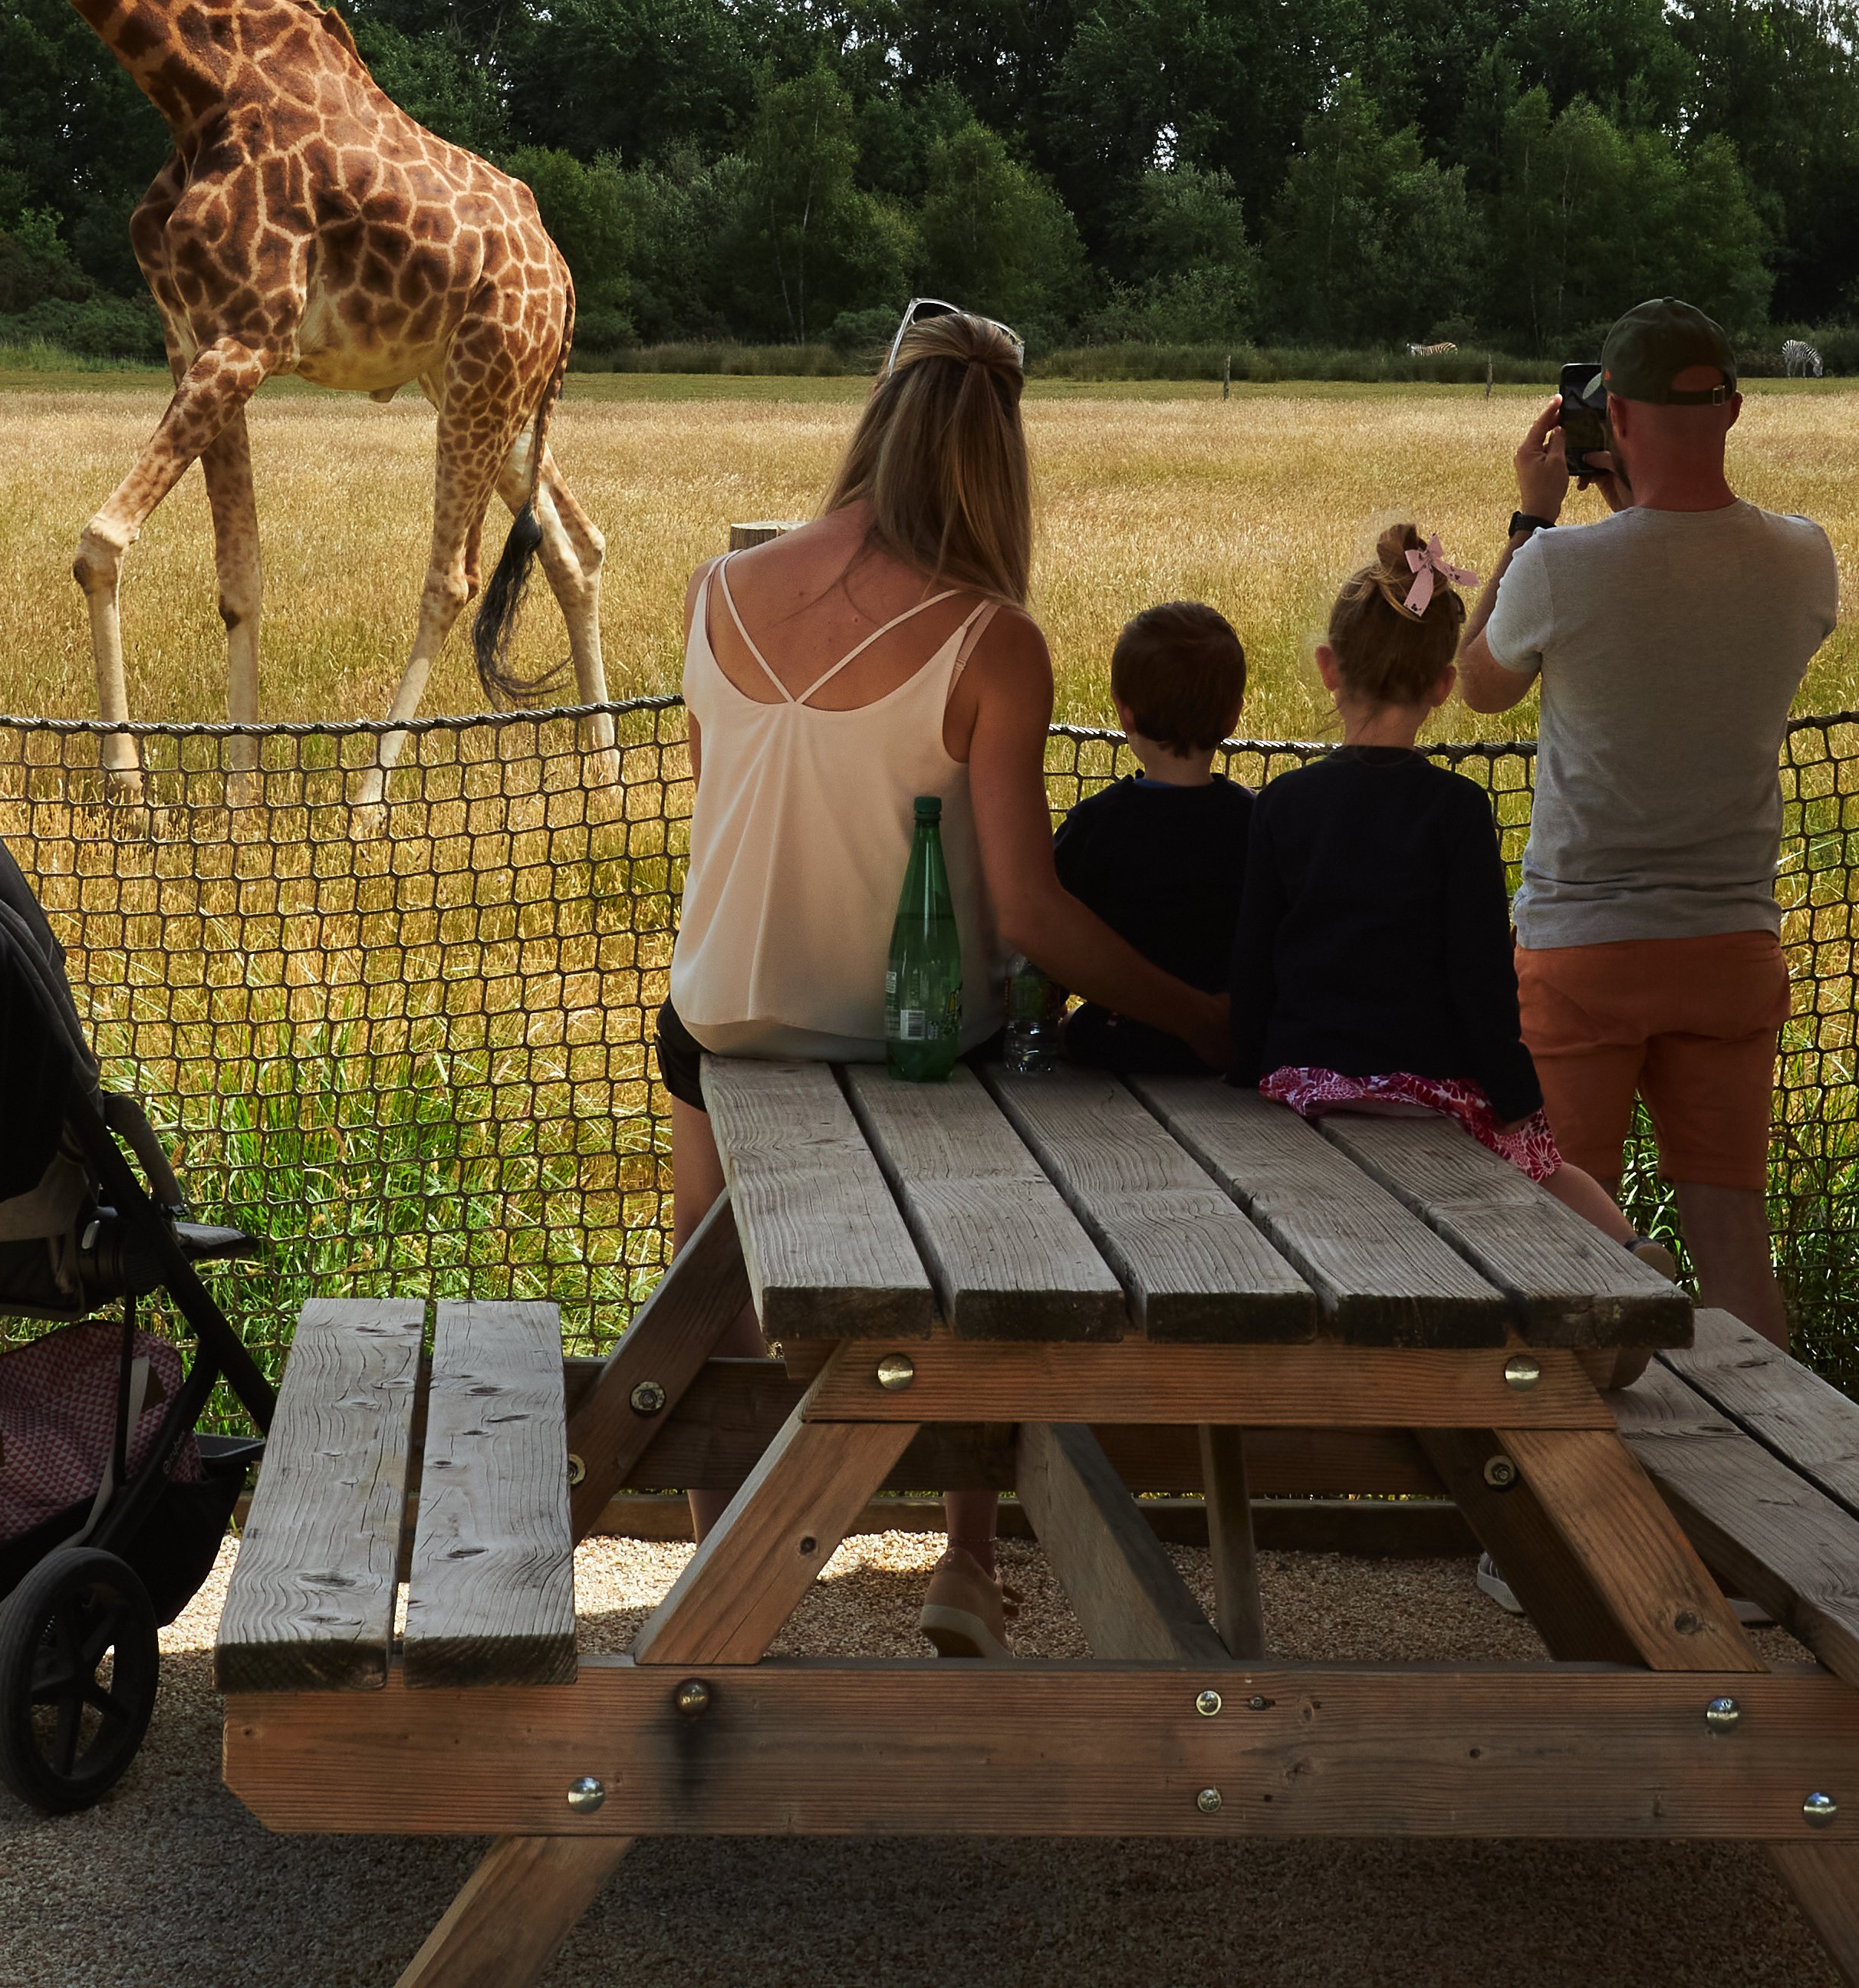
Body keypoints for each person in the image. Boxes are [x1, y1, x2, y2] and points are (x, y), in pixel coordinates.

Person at [663, 298, 1232, 1663]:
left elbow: (719, 825)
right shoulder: (992, 640)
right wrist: (1206, 1013)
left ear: (877, 420)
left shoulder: (713, 592)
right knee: (985, 1290)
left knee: (708, 1309)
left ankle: (721, 1593)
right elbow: (1029, 912)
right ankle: (967, 1559)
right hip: (910, 1043)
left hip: (722, 1026)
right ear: (999, 461)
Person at [1456, 300, 1839, 1341]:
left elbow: (1478, 684)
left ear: (1609, 418)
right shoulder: (1803, 561)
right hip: (1728, 946)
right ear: (1735, 409)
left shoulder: (1559, 568)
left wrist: (1530, 518)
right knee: (1732, 1243)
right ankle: (1772, 1479)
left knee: (1559, 1236)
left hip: (1583, 946)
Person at [1230, 522, 1640, 1250]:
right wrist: (1516, 1103)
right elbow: (1481, 978)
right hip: (1432, 1095)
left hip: (1304, 1090)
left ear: (1330, 667)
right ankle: (1639, 1265)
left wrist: (1244, 1078)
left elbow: (1254, 966)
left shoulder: (1281, 805)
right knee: (1555, 1173)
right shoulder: (1456, 811)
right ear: (1443, 686)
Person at [1056, 602, 1255, 1076]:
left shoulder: (1094, 824)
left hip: (1112, 1041)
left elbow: (1051, 940)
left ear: (1124, 711)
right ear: (1233, 717)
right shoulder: (1257, 821)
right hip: (1228, 1046)